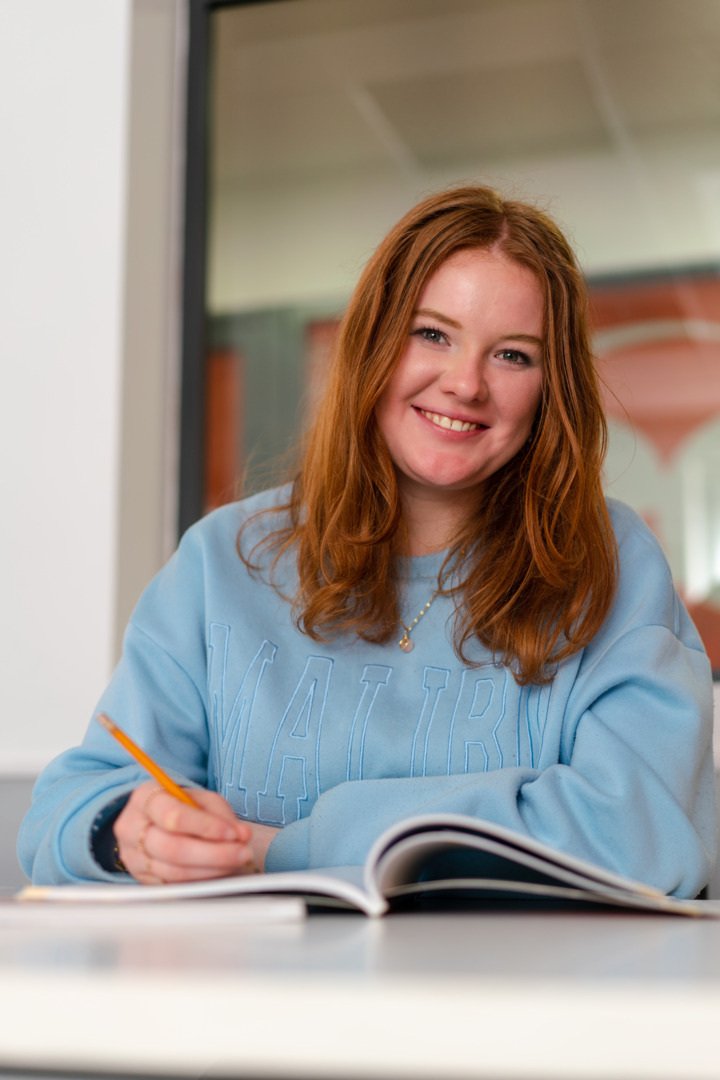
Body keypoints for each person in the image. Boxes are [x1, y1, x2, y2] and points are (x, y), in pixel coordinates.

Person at [19, 184, 716, 896]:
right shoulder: (222, 560)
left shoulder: (612, 564)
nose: (465, 384)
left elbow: (644, 836)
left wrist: (286, 848)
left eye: (512, 355)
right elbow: (59, 820)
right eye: (432, 334)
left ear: (551, 389)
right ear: (372, 345)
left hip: (523, 973)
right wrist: (130, 835)